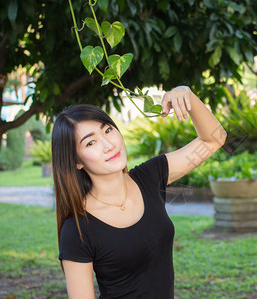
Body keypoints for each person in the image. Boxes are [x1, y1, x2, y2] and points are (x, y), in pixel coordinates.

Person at [52, 86, 227, 298]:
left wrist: (187, 94)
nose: (108, 145)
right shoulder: (78, 228)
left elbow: (214, 139)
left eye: (107, 130)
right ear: (77, 161)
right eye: (91, 142)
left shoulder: (150, 177)